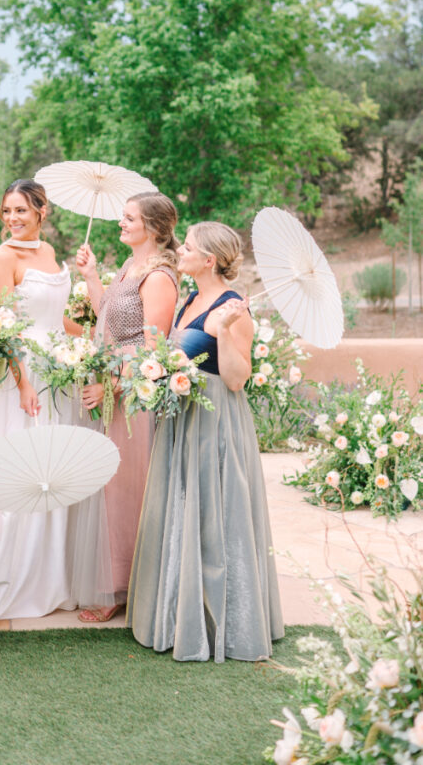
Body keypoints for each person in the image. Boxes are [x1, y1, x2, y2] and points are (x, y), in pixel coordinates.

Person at [127, 221, 284, 662]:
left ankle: (221, 622)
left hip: (216, 420)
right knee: (183, 510)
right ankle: (180, 611)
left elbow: (237, 379)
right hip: (183, 415)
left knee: (216, 513)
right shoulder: (190, 299)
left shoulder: (235, 308)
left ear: (208, 260)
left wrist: (224, 332)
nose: (180, 250)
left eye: (188, 247)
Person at [0, 179, 111, 625]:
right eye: (7, 211)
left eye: (21, 211)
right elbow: (3, 326)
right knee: (24, 465)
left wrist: (94, 342)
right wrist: (22, 381)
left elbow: (55, 318)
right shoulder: (2, 256)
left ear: (42, 211)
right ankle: (7, 571)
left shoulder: (50, 255)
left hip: (57, 370)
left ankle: (50, 577)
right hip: (22, 376)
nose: (12, 219)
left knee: (53, 468)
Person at [76, 192, 179, 622]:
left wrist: (112, 387)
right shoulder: (129, 268)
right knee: (110, 487)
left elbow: (151, 349)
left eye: (129, 218)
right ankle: (118, 582)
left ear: (153, 228)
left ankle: (127, 587)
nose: (121, 222)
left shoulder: (158, 277)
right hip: (112, 387)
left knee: (127, 491)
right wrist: (92, 274)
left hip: (133, 397)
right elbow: (108, 318)